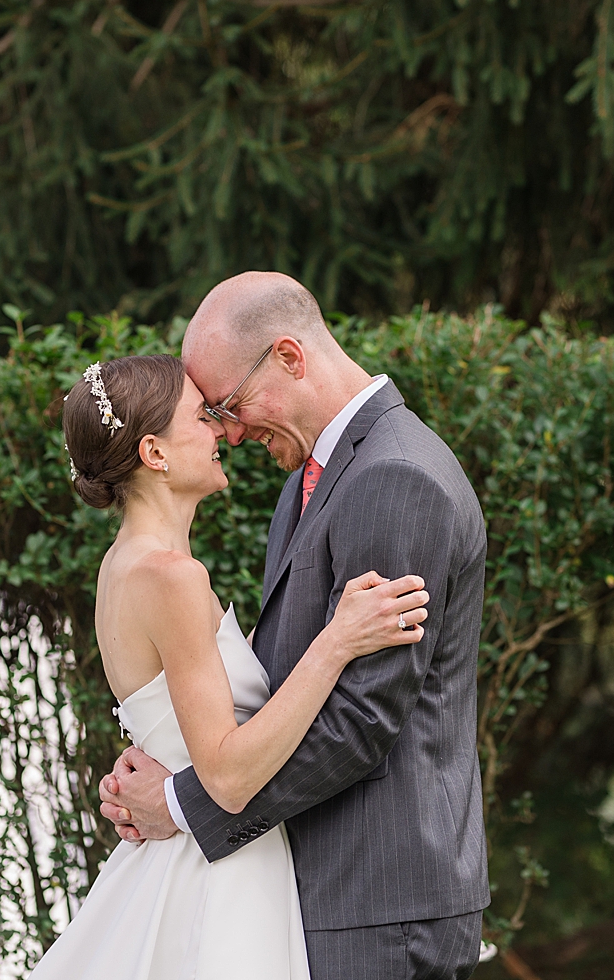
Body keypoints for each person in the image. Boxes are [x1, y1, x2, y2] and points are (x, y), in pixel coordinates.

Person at [99, 273, 490, 979]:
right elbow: (277, 684)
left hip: (376, 899)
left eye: (231, 404)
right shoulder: (312, 480)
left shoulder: (394, 476)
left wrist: (182, 806)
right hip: (320, 890)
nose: (233, 431)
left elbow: (361, 721)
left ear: (289, 356)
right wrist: (173, 763)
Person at [29, 352, 430, 980]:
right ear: (155, 453)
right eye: (202, 416)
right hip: (219, 877)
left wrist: (159, 781)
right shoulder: (171, 578)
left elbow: (178, 730)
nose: (223, 430)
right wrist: (339, 639)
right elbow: (228, 775)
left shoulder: (122, 566)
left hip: (197, 854)